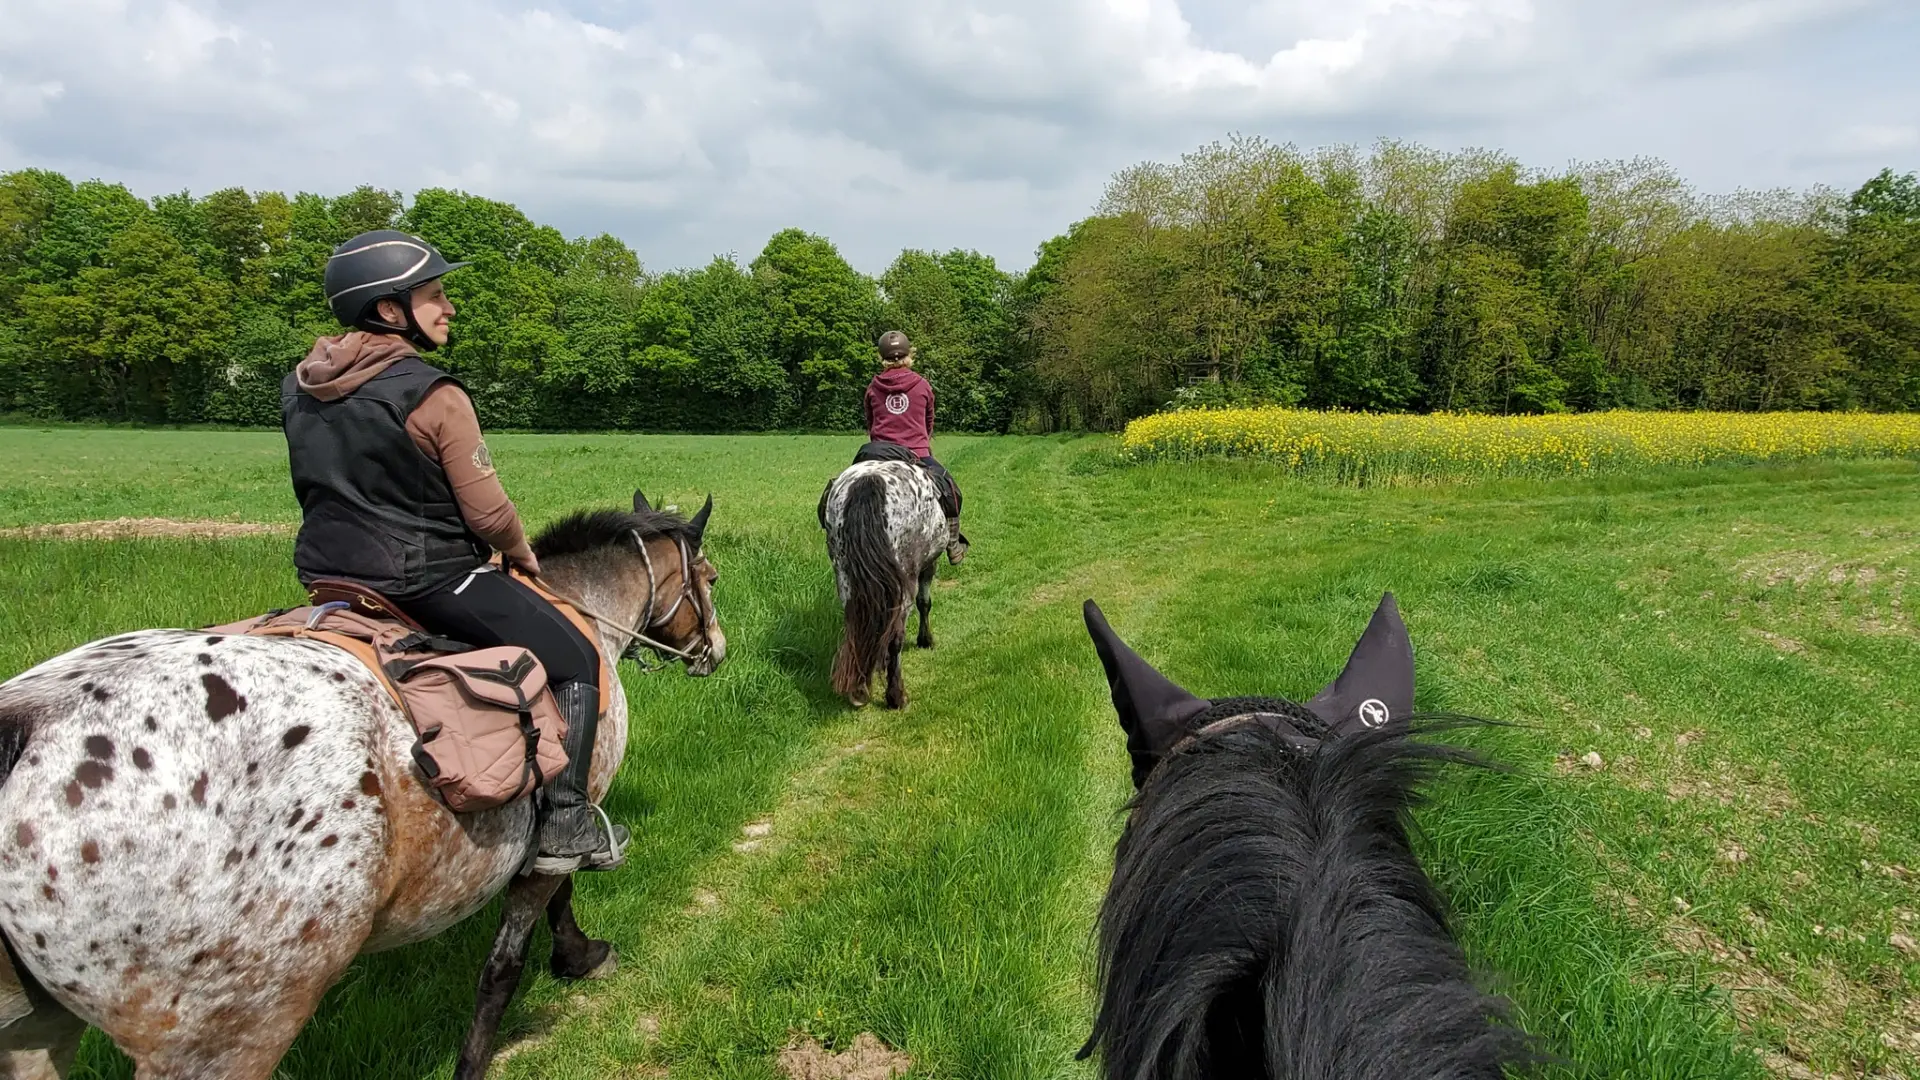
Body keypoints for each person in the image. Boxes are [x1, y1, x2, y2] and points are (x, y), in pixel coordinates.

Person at [281, 229, 625, 875]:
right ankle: (566, 822)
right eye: (434, 294)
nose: (449, 307)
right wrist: (520, 554)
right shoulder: (433, 392)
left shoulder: (299, 387)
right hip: (428, 579)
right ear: (389, 310)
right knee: (576, 655)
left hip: (329, 581)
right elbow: (488, 513)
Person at [862, 330, 968, 563]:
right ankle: (953, 544)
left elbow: (870, 422)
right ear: (909, 355)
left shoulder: (873, 387)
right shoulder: (922, 385)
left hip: (878, 453)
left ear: (883, 357)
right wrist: (921, 442)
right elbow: (928, 421)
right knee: (951, 490)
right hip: (916, 454)